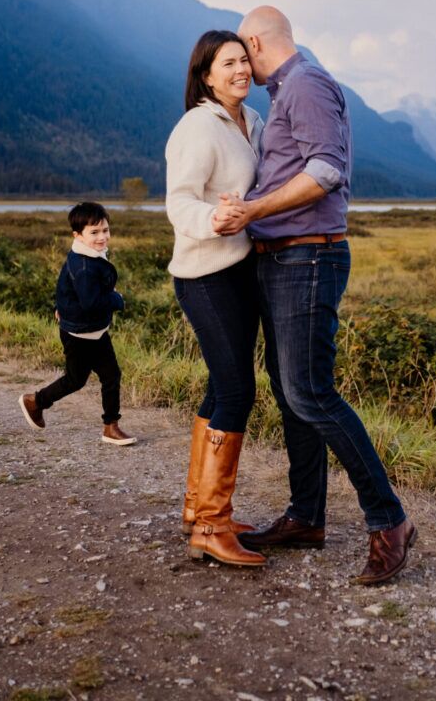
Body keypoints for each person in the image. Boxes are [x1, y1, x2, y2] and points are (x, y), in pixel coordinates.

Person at [213, 6, 416, 586]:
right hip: (283, 258)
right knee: (291, 392)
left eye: (240, 52)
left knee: (311, 392)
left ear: (254, 41)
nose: (240, 64)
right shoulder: (287, 91)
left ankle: (390, 520)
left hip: (309, 254)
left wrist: (251, 210)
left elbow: (327, 170)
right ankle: (306, 517)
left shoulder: (306, 83)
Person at [165, 30, 266, 568]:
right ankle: (211, 523)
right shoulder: (198, 126)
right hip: (205, 274)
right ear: (206, 75)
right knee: (236, 390)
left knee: (220, 387)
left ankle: (196, 505)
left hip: (238, 272)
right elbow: (179, 201)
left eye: (245, 61)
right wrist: (213, 218)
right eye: (229, 63)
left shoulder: (251, 123)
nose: (241, 70)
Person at [19, 201, 136, 446]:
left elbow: (64, 285)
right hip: (82, 334)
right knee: (95, 377)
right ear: (78, 235)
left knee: (93, 377)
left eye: (105, 230)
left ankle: (107, 426)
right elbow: (91, 302)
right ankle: (38, 402)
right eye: (94, 232)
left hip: (89, 329)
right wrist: (117, 299)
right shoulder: (84, 265)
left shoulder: (83, 254)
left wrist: (60, 306)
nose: (102, 236)